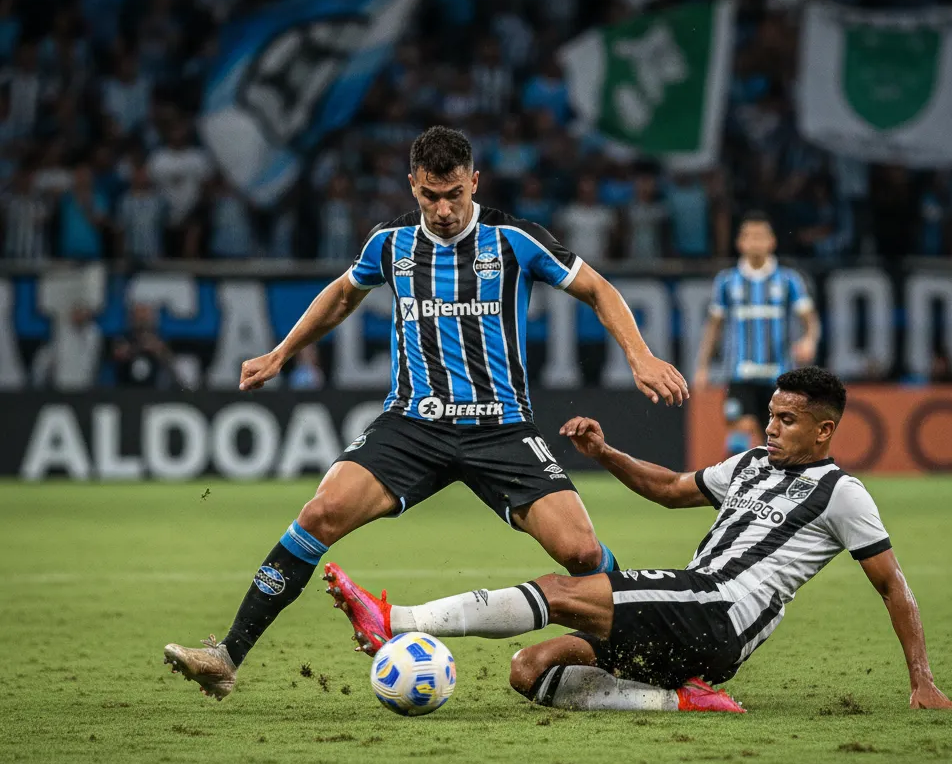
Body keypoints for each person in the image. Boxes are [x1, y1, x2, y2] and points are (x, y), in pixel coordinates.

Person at [164, 125, 687, 698]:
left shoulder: (515, 239)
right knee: (319, 514)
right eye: (430, 196)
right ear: (412, 185)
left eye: (455, 195)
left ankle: (648, 652)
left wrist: (640, 355)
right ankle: (226, 656)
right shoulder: (388, 244)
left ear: (474, 182)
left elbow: (598, 290)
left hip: (500, 427)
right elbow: (342, 294)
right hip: (412, 424)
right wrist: (281, 353)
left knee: (583, 551)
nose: (442, 209)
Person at [328, 367, 952, 715]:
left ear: (824, 432)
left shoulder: (841, 494)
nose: (770, 427)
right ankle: (677, 701)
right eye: (769, 414)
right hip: (688, 614)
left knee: (562, 589)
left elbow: (892, 587)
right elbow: (668, 487)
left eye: (786, 420)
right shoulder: (748, 465)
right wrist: (604, 453)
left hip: (719, 614)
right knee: (530, 671)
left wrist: (922, 679)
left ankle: (396, 619)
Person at [694, 212, 820, 455]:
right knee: (738, 428)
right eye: (749, 237)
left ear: (772, 242)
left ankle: (772, 487)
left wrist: (809, 340)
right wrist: (703, 367)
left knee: (776, 437)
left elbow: (809, 319)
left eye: (760, 237)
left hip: (778, 376)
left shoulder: (789, 280)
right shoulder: (727, 281)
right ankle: (735, 485)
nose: (755, 242)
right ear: (740, 243)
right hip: (739, 373)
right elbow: (714, 327)